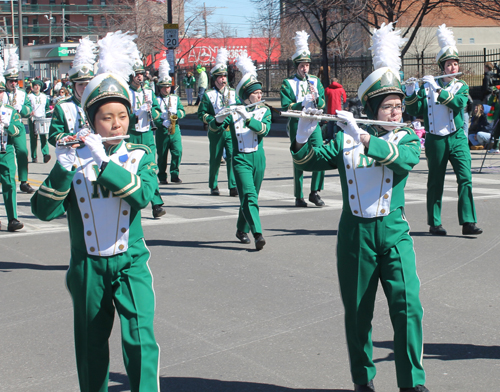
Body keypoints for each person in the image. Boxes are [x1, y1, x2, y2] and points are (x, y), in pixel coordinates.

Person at [291, 23, 429, 392]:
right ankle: (363, 380)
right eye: (388, 106)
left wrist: (365, 136)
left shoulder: (406, 138)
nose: (396, 112)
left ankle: (412, 383)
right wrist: (304, 133)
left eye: (399, 106)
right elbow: (308, 162)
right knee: (358, 315)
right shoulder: (346, 141)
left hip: (393, 232)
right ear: (372, 108)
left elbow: (400, 160)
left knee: (408, 307)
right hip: (355, 235)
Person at [31, 31, 160, 392]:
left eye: (122, 115)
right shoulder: (76, 157)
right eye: (106, 117)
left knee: (141, 342)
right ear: (92, 121)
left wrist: (105, 164)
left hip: (131, 261)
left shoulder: (139, 155)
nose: (116, 123)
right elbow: (42, 212)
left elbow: (142, 197)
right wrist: (63, 167)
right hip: (87, 266)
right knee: (90, 348)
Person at [405, 24, 482, 236]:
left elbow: (457, 104)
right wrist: (412, 92)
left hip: (457, 137)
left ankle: (468, 222)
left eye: (455, 64)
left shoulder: (462, 86)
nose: (453, 67)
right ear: (442, 67)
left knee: (465, 178)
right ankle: (435, 223)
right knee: (435, 181)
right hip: (435, 139)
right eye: (449, 64)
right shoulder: (427, 87)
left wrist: (437, 89)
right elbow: (414, 109)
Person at [211, 53, 271, 250]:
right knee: (249, 196)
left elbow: (264, 131)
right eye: (256, 93)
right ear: (246, 95)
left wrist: (249, 119)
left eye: (261, 92)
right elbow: (214, 128)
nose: (260, 95)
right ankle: (258, 234)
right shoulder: (234, 111)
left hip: (258, 158)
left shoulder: (265, 111)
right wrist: (218, 120)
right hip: (240, 159)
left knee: (249, 197)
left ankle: (240, 228)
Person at [280, 30, 326, 207]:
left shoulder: (315, 81)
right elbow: (286, 106)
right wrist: (301, 103)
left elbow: (322, 103)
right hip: (297, 124)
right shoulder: (287, 83)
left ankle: (315, 191)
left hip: (314, 123)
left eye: (307, 65)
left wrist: (316, 98)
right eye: (301, 65)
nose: (305, 68)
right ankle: (299, 196)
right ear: (296, 65)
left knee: (321, 153)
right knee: (299, 158)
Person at [128, 56, 166, 218]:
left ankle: (156, 203)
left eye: (142, 74)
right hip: (131, 136)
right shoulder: (125, 92)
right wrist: (135, 114)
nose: (140, 77)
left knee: (150, 168)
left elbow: (157, 113)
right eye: (137, 74)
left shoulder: (149, 92)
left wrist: (151, 111)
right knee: (132, 170)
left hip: (147, 135)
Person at [197, 47, 239, 196]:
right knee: (215, 158)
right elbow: (201, 113)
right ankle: (213, 185)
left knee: (232, 157)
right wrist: (213, 120)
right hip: (216, 130)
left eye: (225, 76)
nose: (223, 79)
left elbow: (239, 107)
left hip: (231, 130)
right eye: (220, 77)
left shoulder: (233, 93)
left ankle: (232, 186)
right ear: (215, 80)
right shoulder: (208, 95)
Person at [49, 38, 95, 147]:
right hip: (71, 155)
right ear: (73, 86)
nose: (84, 88)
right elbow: (53, 136)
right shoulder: (62, 106)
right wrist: (72, 137)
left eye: (87, 84)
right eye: (80, 85)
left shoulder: (99, 105)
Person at [2, 47, 35, 193]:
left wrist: (21, 109)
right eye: (11, 81)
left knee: (22, 151)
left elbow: (28, 109)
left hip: (18, 125)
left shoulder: (22, 94)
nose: (14, 83)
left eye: (16, 81)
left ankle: (23, 180)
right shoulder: (2, 93)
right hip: (3, 127)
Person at [0, 71, 25, 231]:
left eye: (1, 92)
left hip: (5, 150)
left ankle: (12, 219)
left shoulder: (9, 110)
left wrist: (6, 125)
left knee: (9, 183)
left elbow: (17, 130)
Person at [154, 59, 185, 184]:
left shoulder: (175, 98)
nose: (167, 89)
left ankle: (174, 174)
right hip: (162, 129)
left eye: (168, 87)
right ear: (160, 88)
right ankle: (162, 176)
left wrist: (176, 115)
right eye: (164, 87)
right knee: (162, 155)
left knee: (177, 152)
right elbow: (154, 115)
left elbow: (182, 111)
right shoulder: (156, 99)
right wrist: (161, 121)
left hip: (174, 128)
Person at [27, 79, 51, 163]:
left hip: (42, 118)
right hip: (33, 119)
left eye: (38, 86)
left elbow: (47, 107)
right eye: (35, 85)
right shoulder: (29, 96)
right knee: (33, 138)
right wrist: (29, 112)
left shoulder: (44, 96)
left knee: (43, 137)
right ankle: (34, 156)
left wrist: (48, 115)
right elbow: (27, 107)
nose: (37, 87)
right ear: (32, 87)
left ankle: (45, 154)